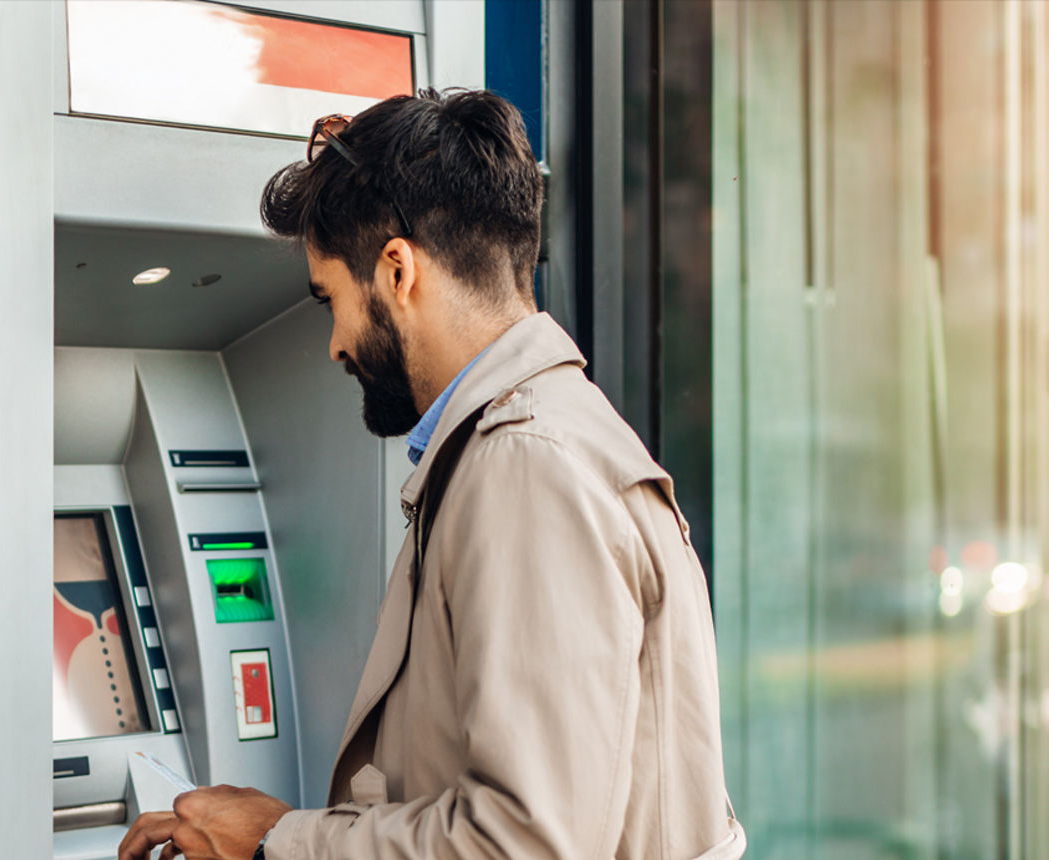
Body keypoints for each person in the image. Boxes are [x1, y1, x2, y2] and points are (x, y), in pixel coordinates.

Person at [119, 88, 744, 860]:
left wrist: (277, 841)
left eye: (330, 300)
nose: (334, 343)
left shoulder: (526, 466)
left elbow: (525, 844)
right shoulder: (540, 438)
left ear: (397, 271)